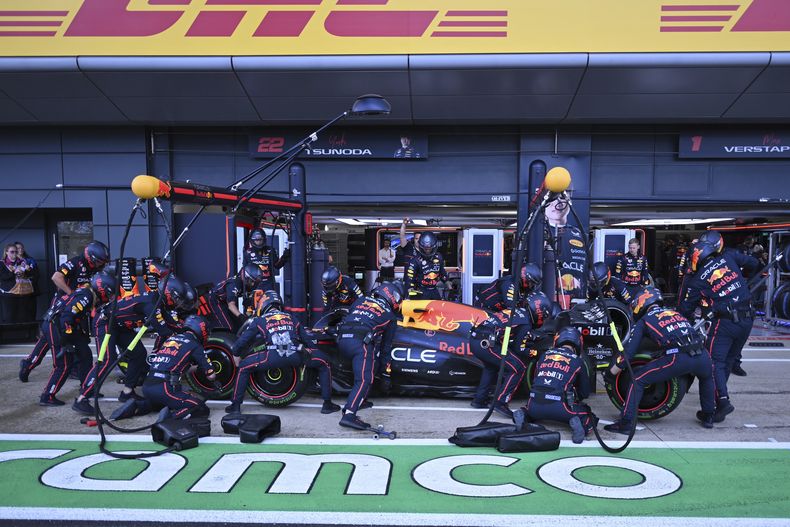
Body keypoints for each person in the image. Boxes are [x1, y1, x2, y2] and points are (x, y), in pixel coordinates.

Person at [605, 287, 717, 434]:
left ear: (641, 303)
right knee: (706, 377)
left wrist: (612, 371)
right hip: (702, 355)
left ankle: (626, 423)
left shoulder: (645, 320)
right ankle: (708, 416)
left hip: (678, 358)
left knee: (637, 380)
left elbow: (628, 353)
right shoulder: (675, 313)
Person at [72, 276, 189, 414]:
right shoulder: (151, 303)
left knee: (138, 354)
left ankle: (127, 392)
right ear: (169, 293)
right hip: (105, 323)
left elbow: (168, 321)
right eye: (177, 298)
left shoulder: (157, 300)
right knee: (107, 361)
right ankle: (81, 399)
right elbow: (161, 328)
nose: (177, 302)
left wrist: (185, 331)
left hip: (119, 325)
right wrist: (181, 339)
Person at [677, 240, 759, 422]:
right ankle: (719, 400)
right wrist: (743, 283)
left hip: (725, 322)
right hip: (748, 319)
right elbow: (754, 263)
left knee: (713, 363)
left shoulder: (698, 280)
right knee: (728, 361)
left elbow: (685, 308)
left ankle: (722, 401)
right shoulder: (728, 257)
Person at [225, 290, 339, 415]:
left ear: (263, 305)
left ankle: (235, 406)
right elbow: (307, 341)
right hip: (296, 355)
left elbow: (242, 340)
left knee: (243, 368)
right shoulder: (291, 318)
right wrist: (313, 354)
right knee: (324, 363)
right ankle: (327, 404)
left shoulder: (260, 320)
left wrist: (236, 354)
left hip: (271, 356)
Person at [19, 240, 110, 382]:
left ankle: (29, 363)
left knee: (53, 339)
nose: (102, 264)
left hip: (79, 307)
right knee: (57, 337)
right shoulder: (75, 262)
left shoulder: (96, 268)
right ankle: (30, 364)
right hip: (63, 307)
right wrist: (72, 294)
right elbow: (56, 277)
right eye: (100, 261)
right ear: (91, 257)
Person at [38, 271, 116, 406]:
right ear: (102, 289)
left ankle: (87, 388)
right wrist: (66, 342)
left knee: (85, 353)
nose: (109, 297)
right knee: (64, 363)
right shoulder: (86, 296)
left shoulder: (89, 292)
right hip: (56, 325)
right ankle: (47, 395)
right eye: (109, 294)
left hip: (67, 324)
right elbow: (66, 318)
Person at [336, 281, 403, 429]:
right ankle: (349, 414)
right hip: (359, 344)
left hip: (341, 341)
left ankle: (361, 399)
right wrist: (386, 374)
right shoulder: (390, 317)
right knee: (364, 379)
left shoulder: (361, 300)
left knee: (371, 361)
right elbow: (386, 348)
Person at [513, 327, 594, 444]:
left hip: (534, 405)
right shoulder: (578, 361)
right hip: (560, 407)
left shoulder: (544, 355)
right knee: (589, 416)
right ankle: (581, 424)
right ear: (579, 343)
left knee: (530, 409)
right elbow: (585, 392)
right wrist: (576, 397)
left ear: (557, 340)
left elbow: (536, 379)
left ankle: (524, 414)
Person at [142, 315, 216, 421]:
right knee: (199, 407)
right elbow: (211, 376)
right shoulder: (195, 344)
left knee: (161, 403)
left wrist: (196, 368)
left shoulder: (170, 339)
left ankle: (137, 406)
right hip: (165, 389)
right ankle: (169, 418)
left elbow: (175, 367)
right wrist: (208, 369)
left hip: (147, 386)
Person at [492, 291, 553, 417]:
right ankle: (500, 402)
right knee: (518, 368)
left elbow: (508, 334)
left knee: (490, 367)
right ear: (539, 312)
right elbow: (519, 349)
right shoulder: (525, 323)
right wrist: (535, 352)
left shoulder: (519, 311)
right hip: (489, 343)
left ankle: (480, 399)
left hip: (484, 337)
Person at [205, 264, 263, 332]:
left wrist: (249, 315)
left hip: (226, 300)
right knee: (228, 327)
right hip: (216, 300)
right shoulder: (234, 284)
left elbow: (248, 305)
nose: (253, 284)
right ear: (245, 277)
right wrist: (241, 317)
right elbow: (231, 305)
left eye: (255, 282)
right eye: (252, 281)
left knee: (238, 326)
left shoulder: (246, 285)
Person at [474, 263, 542, 312]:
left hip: (495, 311)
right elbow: (511, 306)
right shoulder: (509, 283)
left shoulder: (521, 287)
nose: (532, 286)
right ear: (525, 279)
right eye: (531, 283)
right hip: (482, 309)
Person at [404, 232, 448, 300]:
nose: (427, 251)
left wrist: (447, 281)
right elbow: (409, 279)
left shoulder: (438, 257)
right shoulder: (415, 260)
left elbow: (442, 272)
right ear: (421, 246)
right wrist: (409, 290)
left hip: (434, 290)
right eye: (425, 249)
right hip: (421, 291)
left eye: (429, 248)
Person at [1, 243, 34, 324]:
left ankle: (23, 335)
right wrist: (13, 272)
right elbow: (3, 277)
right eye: (12, 252)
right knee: (9, 317)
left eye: (16, 252)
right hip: (9, 294)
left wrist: (28, 270)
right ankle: (9, 335)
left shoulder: (22, 262)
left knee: (22, 317)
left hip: (23, 294)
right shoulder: (2, 263)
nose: (15, 254)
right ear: (6, 252)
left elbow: (31, 276)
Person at [14, 242, 39, 323]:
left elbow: (37, 274)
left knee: (31, 311)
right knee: (19, 312)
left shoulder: (30, 260)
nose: (20, 250)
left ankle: (32, 331)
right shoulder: (10, 261)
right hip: (16, 291)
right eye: (18, 248)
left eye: (22, 248)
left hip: (30, 290)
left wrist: (28, 273)